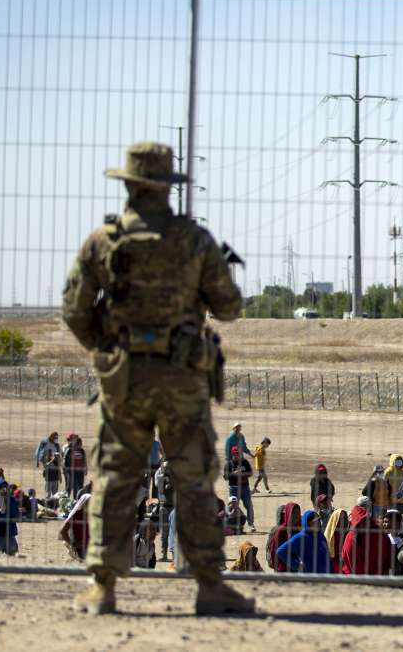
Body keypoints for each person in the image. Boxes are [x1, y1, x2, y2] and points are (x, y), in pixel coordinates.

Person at [61, 142, 252, 616]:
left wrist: (107, 351)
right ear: (169, 187)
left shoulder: (103, 241)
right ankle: (209, 584)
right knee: (193, 479)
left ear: (127, 184)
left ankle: (102, 586)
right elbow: (229, 307)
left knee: (114, 477)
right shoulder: (195, 240)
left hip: (124, 378)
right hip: (183, 378)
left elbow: (74, 310)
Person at [341, 498, 390, 575]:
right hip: (357, 578)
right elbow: (351, 560)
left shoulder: (377, 532)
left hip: (378, 576)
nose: (367, 509)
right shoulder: (351, 536)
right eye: (364, 506)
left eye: (369, 506)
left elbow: (386, 552)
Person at [276, 509, 332, 574]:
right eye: (314, 522)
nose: (318, 523)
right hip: (309, 577)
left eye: (318, 520)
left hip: (325, 576)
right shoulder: (301, 537)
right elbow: (280, 551)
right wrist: (296, 565)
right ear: (307, 523)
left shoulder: (321, 535)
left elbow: (327, 555)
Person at [222, 446, 254, 530]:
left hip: (245, 488)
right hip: (233, 488)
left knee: (249, 505)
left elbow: (250, 473)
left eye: (238, 454)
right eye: (235, 454)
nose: (237, 455)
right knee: (233, 507)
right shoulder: (229, 464)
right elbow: (225, 477)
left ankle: (251, 524)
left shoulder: (245, 462)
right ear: (232, 454)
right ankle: (228, 524)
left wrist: (243, 474)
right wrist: (234, 473)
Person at [266, 502, 302, 572]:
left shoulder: (299, 529)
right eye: (293, 513)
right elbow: (274, 552)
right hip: (283, 569)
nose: (296, 515)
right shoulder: (281, 531)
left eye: (298, 512)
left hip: (297, 568)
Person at [0, 476, 20, 555]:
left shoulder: (11, 500)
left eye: (5, 487)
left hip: (10, 535)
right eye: (1, 488)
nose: (4, 490)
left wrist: (7, 502)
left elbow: (15, 515)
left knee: (13, 557)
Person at [324, 507, 350, 573]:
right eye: (340, 519)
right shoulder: (330, 535)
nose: (343, 521)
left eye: (345, 518)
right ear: (335, 520)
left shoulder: (348, 533)